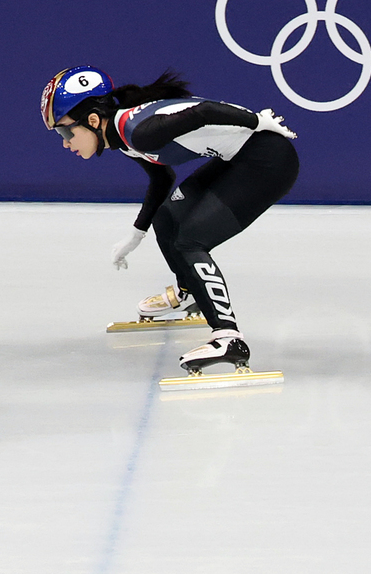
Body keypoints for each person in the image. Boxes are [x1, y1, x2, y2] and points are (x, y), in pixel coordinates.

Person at [40, 66, 300, 372]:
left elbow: (203, 112)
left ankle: (228, 337)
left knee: (191, 240)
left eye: (65, 132)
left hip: (268, 161)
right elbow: (162, 179)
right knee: (166, 218)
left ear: (93, 121)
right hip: (238, 158)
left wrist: (258, 121)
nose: (65, 143)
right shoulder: (121, 136)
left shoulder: (140, 132)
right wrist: (136, 234)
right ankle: (190, 291)